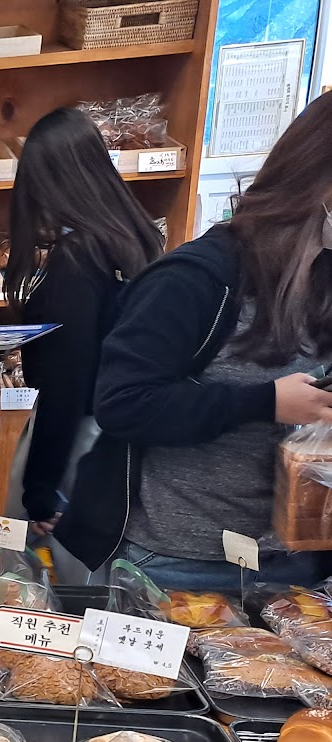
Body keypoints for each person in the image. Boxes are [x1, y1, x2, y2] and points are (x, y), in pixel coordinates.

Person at [56, 94, 332, 591]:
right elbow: (124, 403)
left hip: (297, 562)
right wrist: (265, 401)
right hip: (180, 563)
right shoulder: (198, 279)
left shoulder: (325, 281)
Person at [2, 107, 165, 583]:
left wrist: (40, 489)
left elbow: (65, 387)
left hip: (74, 447)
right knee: (101, 582)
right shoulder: (136, 240)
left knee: (40, 590)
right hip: (118, 443)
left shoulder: (77, 259)